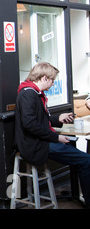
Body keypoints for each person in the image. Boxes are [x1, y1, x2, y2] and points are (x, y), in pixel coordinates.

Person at [15, 62, 90, 208]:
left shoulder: (33, 93)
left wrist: (58, 119)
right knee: (86, 161)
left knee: (80, 156)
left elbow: (39, 120)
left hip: (41, 141)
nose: (53, 84)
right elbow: (30, 125)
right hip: (35, 145)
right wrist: (56, 137)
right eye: (52, 80)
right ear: (44, 78)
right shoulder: (28, 94)